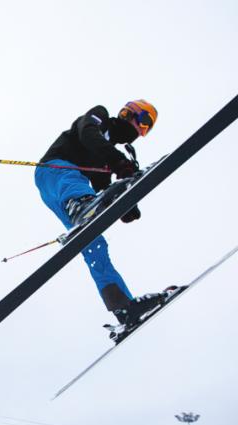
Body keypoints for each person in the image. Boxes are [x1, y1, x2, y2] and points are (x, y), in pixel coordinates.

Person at [34, 100, 172, 327]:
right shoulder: (100, 119)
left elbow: (102, 190)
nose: (142, 131)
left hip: (62, 192)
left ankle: (124, 308)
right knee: (77, 189)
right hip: (56, 171)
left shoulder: (102, 159)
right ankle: (80, 206)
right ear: (130, 113)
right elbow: (89, 135)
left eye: (147, 130)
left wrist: (126, 203)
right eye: (144, 123)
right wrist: (119, 161)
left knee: (93, 242)